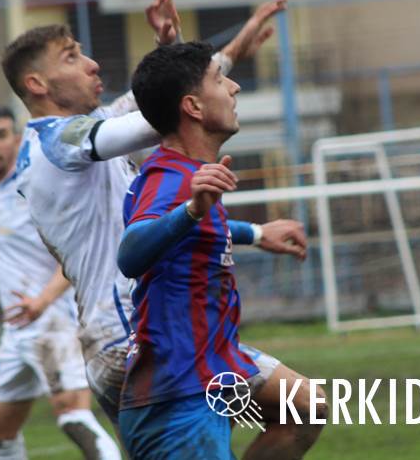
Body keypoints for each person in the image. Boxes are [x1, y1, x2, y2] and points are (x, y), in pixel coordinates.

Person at [1, 0, 283, 424]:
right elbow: (175, 110)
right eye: (72, 56)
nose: (92, 64)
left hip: (135, 338)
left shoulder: (87, 131)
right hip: (131, 340)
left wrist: (210, 53)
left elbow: (175, 100)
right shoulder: (57, 142)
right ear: (37, 83)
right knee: (292, 409)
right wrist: (196, 67)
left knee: (302, 409)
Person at [114, 41, 325, 459]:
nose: (234, 87)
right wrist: (192, 210)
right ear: (193, 107)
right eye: (219, 79)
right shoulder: (173, 180)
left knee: (305, 406)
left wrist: (256, 233)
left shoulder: (189, 173)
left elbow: (200, 232)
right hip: (178, 392)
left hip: (211, 365)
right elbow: (130, 254)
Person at [0, 104, 120, 460]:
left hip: (54, 323)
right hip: (17, 330)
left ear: (16, 140)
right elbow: (6, 252)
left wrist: (42, 301)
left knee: (73, 417)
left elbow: (70, 255)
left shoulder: (32, 186)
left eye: (0, 135)